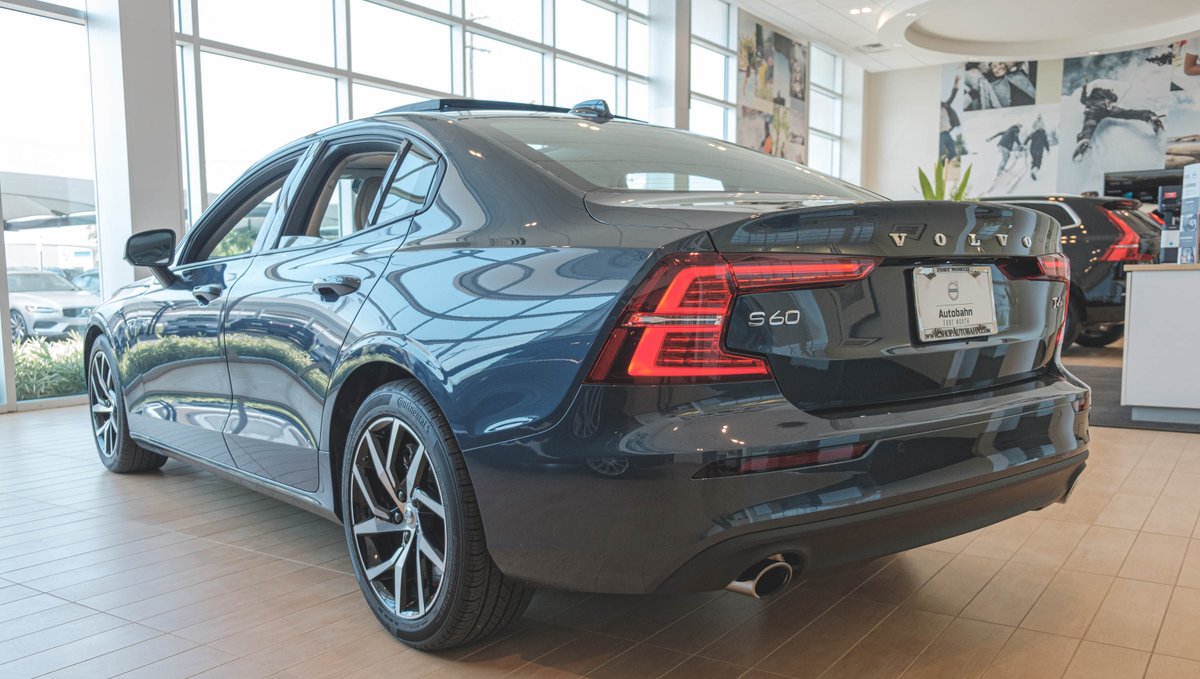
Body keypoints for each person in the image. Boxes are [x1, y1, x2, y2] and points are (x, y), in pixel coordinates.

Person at [1072, 78, 1165, 161]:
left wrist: (1084, 90)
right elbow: (1114, 98)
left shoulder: (1088, 95)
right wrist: (1112, 96)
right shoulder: (1103, 90)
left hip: (1094, 110)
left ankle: (1084, 140)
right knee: (1128, 113)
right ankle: (1149, 116)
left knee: (1090, 123)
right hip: (1107, 107)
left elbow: (1082, 101)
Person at [939, 75, 962, 161]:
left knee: (953, 153)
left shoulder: (945, 106)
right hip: (939, 134)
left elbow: (953, 95)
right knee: (939, 153)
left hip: (947, 133)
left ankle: (941, 165)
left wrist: (956, 82)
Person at [1023, 115, 1051, 180]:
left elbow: (1028, 137)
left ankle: (1033, 170)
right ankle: (1033, 171)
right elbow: (1046, 143)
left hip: (1032, 150)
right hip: (1039, 150)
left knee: (1034, 160)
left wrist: (1025, 144)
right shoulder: (1044, 135)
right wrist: (1048, 150)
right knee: (1038, 163)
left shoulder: (1035, 133)